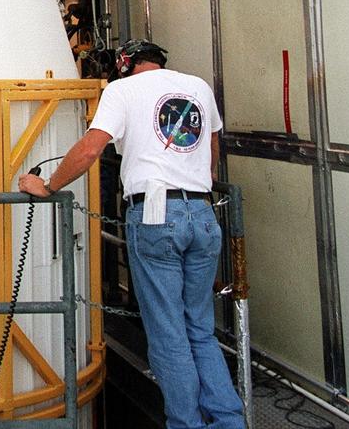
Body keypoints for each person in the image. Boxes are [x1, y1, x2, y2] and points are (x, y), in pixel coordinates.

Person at [18, 39, 244, 429]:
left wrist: (49, 185)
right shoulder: (198, 86)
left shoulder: (121, 91)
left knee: (169, 334)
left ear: (124, 65)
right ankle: (229, 422)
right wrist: (199, 181)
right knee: (200, 331)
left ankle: (186, 425)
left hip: (157, 214)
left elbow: (91, 150)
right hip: (204, 214)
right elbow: (211, 144)